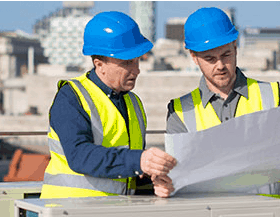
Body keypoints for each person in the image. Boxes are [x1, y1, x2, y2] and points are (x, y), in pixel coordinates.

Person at [165, 7, 280, 197]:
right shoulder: (180, 112)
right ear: (194, 57)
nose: (220, 66)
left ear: (235, 48)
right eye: (210, 59)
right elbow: (177, 179)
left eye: (226, 55)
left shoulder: (273, 96)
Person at [40, 11, 177, 199]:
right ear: (99, 64)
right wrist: (139, 160)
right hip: (68, 212)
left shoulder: (133, 103)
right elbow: (80, 156)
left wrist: (154, 182)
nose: (136, 70)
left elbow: (127, 173)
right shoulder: (71, 97)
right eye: (127, 62)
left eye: (137, 60)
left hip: (114, 212)